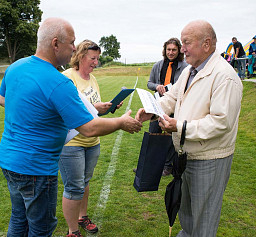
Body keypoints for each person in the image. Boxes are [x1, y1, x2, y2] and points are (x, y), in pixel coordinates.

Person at [0, 18, 142, 237]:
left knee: (19, 219)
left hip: (9, 160)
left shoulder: (15, 67)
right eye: (71, 42)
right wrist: (121, 122)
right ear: (55, 44)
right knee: (41, 227)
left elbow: (2, 99)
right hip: (35, 167)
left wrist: (35, 110)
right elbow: (89, 128)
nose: (74, 48)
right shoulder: (59, 81)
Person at [136, 20, 243, 236]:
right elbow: (173, 97)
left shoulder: (225, 76)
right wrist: (153, 110)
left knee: (203, 220)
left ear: (206, 44)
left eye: (186, 43)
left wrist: (180, 126)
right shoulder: (190, 71)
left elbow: (221, 122)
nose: (182, 48)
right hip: (187, 156)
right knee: (187, 215)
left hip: (209, 160)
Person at [59, 40, 123, 237]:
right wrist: (97, 108)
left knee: (85, 182)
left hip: (92, 142)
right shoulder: (67, 78)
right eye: (93, 58)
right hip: (72, 143)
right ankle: (73, 231)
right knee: (73, 187)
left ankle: (82, 217)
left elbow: (91, 113)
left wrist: (105, 108)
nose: (96, 62)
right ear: (80, 56)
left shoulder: (92, 79)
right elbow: (68, 112)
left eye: (98, 58)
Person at [146, 37, 188, 176]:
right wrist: (157, 86)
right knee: (154, 133)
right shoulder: (157, 65)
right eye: (168, 49)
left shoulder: (185, 67)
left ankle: (167, 166)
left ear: (179, 50)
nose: (171, 52)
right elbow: (149, 83)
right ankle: (150, 165)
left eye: (174, 50)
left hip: (174, 105)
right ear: (165, 50)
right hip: (158, 104)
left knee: (170, 135)